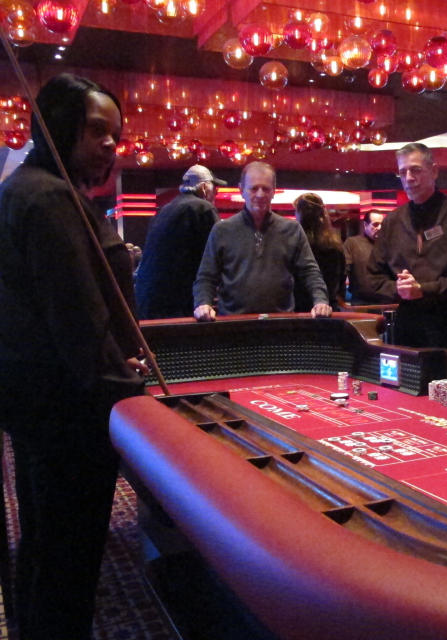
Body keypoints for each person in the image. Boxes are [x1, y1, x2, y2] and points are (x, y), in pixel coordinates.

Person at [0, 73, 147, 640]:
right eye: (96, 131)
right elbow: (78, 320)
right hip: (67, 410)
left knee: (41, 543)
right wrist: (126, 387)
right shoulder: (50, 197)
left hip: (35, 403)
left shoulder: (25, 188)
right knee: (68, 553)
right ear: (60, 127)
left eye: (115, 134)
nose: (111, 144)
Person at [366, 143, 447, 349]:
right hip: (406, 326)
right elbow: (373, 278)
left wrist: (424, 290)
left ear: (434, 171)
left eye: (416, 170)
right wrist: (400, 289)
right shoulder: (393, 220)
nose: (409, 178)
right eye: (403, 172)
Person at [192, 161, 332, 320]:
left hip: (280, 324)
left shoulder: (292, 229)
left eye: (266, 189)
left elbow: (310, 272)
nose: (260, 194)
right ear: (241, 190)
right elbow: (206, 277)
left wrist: (320, 300)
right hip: (233, 325)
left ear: (273, 192)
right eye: (254, 188)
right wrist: (202, 303)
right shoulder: (222, 230)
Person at [135, 164, 223, 318]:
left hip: (147, 299)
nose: (216, 194)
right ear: (203, 188)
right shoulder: (203, 208)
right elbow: (218, 253)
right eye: (215, 189)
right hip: (177, 303)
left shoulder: (164, 209)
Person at [293, 193, 346, 310]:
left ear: (300, 214)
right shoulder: (335, 246)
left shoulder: (295, 244)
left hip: (299, 311)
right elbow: (341, 283)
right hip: (329, 309)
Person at [342, 209, 388, 305]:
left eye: (382, 225)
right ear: (365, 225)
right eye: (375, 224)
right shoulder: (353, 243)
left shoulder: (388, 244)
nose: (380, 228)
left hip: (386, 301)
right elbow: (343, 271)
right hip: (361, 302)